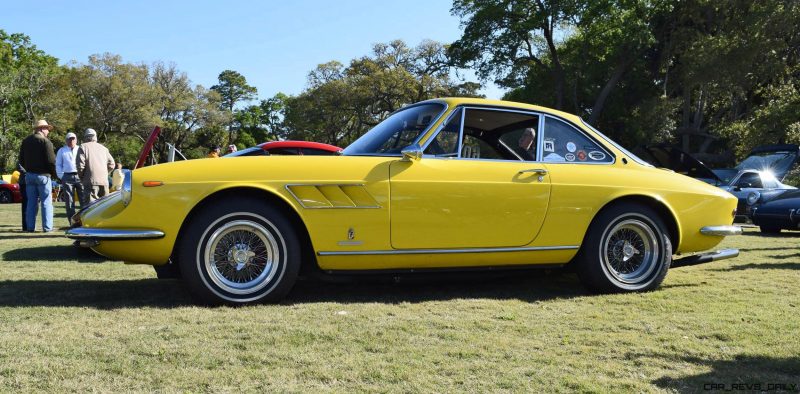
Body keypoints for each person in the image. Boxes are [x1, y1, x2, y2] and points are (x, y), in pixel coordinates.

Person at [18, 120, 57, 232]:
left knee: (31, 203)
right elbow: (51, 161)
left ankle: (30, 227)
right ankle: (47, 228)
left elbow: (21, 159)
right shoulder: (46, 142)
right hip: (43, 176)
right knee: (46, 202)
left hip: (29, 175)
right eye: (46, 129)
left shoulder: (26, 141)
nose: (48, 131)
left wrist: (29, 168)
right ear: (40, 129)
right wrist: (54, 174)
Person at [76, 128, 115, 206]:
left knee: (90, 208)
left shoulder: (83, 147)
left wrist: (82, 178)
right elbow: (112, 164)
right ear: (95, 137)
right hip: (104, 181)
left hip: (90, 181)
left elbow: (80, 166)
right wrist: (105, 173)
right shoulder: (104, 149)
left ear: (85, 137)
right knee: (104, 207)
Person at [56, 132, 81, 226]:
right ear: (66, 140)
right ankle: (72, 223)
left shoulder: (80, 149)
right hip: (67, 176)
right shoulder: (61, 150)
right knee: (69, 202)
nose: (71, 140)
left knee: (84, 201)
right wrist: (61, 176)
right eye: (69, 139)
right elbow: (58, 164)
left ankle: (84, 222)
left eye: (73, 139)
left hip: (80, 176)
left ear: (76, 140)